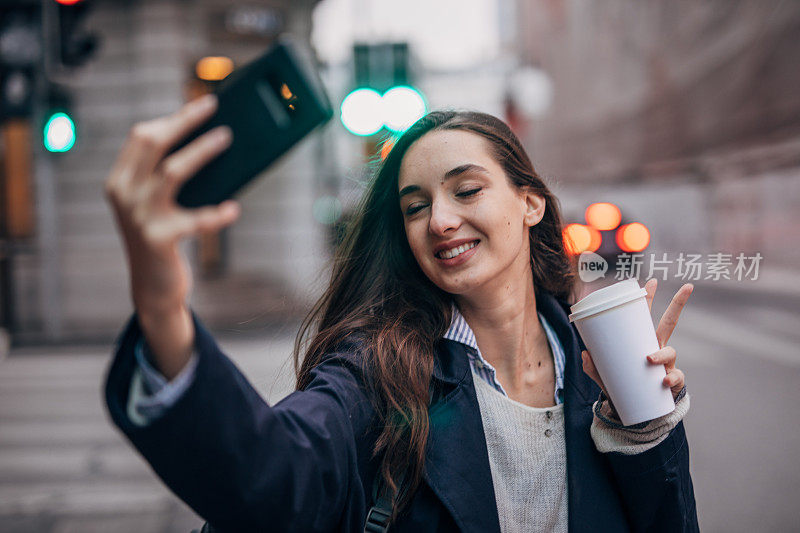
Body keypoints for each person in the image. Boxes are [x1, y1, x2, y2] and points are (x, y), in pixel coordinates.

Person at [103, 96, 699, 532]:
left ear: (530, 202)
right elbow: (271, 475)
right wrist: (160, 301)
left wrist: (640, 429)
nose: (439, 220)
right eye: (416, 207)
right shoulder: (379, 373)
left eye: (466, 191)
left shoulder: (593, 366)